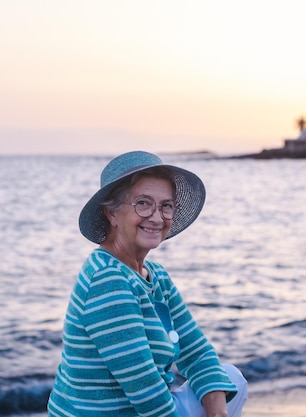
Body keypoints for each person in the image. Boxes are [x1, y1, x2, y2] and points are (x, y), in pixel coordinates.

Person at [48, 151, 248, 417]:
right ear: (112, 214)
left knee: (229, 379)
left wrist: (218, 414)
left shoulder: (156, 276)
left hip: (142, 407)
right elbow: (146, 392)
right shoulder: (108, 280)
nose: (156, 217)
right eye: (143, 203)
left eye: (166, 206)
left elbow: (197, 352)